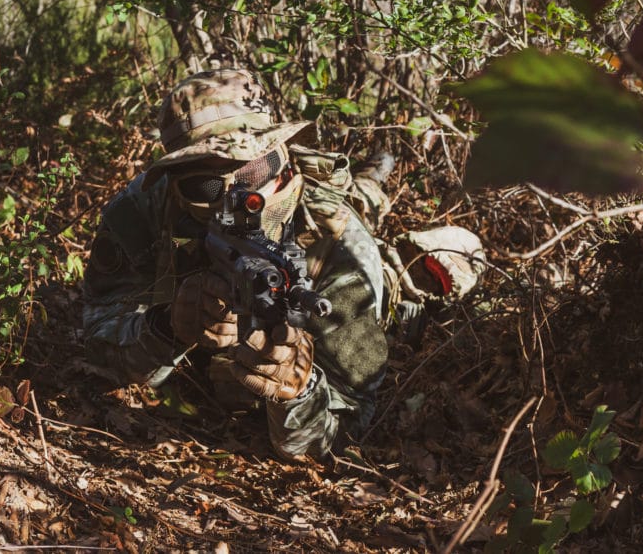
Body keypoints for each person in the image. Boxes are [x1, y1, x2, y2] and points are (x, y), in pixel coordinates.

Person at [82, 67, 486, 459]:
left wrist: (298, 389)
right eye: (205, 184)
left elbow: (347, 428)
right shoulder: (145, 206)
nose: (233, 199)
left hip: (345, 248)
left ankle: (375, 178)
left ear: (283, 159)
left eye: (252, 172)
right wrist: (164, 328)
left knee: (410, 271)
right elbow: (95, 339)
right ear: (176, 181)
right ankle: (372, 174)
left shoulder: (343, 248)